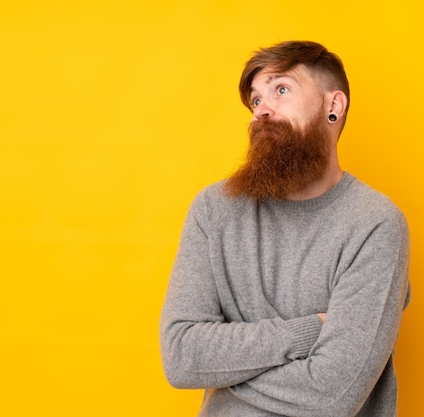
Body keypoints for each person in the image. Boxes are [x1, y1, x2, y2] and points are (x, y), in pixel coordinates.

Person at [160, 40, 411, 417]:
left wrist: (225, 370)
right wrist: (309, 331)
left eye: (281, 90)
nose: (262, 110)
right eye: (256, 100)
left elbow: (331, 396)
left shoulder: (375, 224)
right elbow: (181, 356)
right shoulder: (215, 210)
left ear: (333, 106)